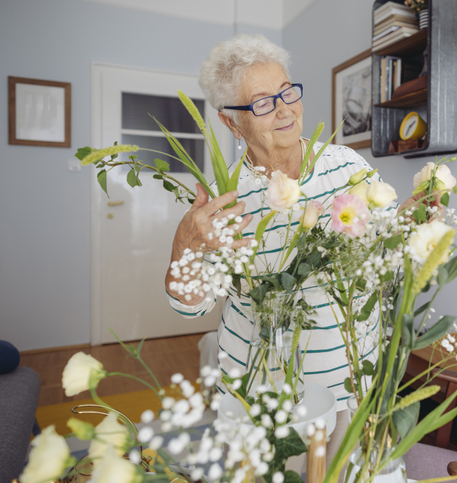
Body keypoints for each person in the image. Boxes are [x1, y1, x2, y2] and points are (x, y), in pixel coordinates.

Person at [164, 33, 425, 462]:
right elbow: (190, 306)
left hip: (347, 380)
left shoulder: (347, 166)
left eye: (287, 91)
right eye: (263, 101)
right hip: (255, 389)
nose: (285, 108)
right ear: (231, 122)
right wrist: (184, 244)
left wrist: (413, 222)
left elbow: (387, 250)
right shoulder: (222, 197)